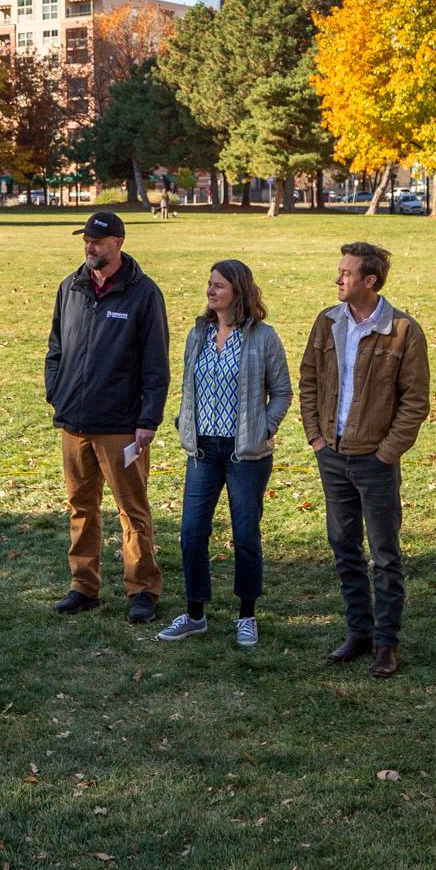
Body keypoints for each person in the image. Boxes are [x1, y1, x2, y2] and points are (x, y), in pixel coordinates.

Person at [299, 241, 430, 678]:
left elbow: (415, 401)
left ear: (369, 281)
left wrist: (386, 452)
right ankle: (359, 632)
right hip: (332, 456)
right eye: (339, 271)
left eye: (346, 273)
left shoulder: (403, 331)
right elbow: (309, 380)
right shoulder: (327, 322)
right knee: (344, 548)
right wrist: (316, 438)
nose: (337, 279)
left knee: (386, 555)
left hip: (375, 461)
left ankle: (386, 643)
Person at [155, 260, 292, 647]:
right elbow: (189, 384)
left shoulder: (263, 337)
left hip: (244, 455)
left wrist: (264, 429)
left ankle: (246, 615)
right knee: (191, 534)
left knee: (245, 535)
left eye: (219, 285)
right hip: (202, 451)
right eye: (209, 284)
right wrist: (185, 421)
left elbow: (282, 392)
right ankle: (195, 614)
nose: (210, 290)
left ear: (239, 291)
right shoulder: (198, 333)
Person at [45, 210, 170, 622]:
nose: (89, 247)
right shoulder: (70, 287)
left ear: (118, 243)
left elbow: (156, 363)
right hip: (74, 421)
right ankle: (83, 586)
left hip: (121, 425)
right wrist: (56, 392)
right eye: (86, 240)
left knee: (132, 510)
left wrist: (148, 419)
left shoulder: (143, 294)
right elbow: (56, 348)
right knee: (81, 507)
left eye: (97, 241)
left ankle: (142, 589)